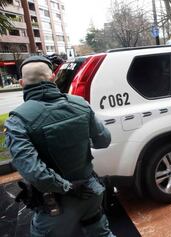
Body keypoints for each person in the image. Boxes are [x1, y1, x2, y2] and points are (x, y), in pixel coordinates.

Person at [4, 56, 115, 237]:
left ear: (22, 83)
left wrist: (68, 188)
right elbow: (104, 140)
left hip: (57, 206)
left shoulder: (18, 121)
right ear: (52, 78)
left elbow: (34, 172)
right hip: (92, 191)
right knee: (100, 233)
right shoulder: (80, 104)